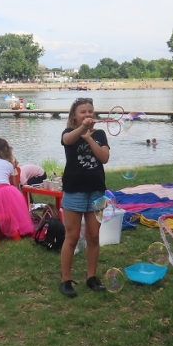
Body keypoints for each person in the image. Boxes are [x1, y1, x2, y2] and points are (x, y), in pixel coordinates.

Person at [59, 97, 110, 298]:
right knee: (72, 237)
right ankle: (65, 280)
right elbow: (68, 141)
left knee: (93, 236)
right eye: (83, 112)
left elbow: (104, 158)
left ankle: (91, 277)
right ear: (74, 116)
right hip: (74, 191)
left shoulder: (100, 134)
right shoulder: (68, 133)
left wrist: (89, 138)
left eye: (90, 111)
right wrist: (82, 130)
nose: (88, 114)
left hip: (96, 191)